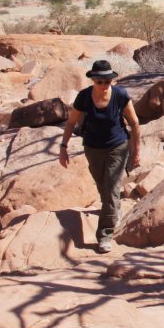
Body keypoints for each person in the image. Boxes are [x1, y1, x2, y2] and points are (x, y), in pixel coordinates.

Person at [58, 60, 141, 254]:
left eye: (107, 81)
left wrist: (136, 151)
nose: (104, 85)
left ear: (112, 80)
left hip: (117, 146)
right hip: (92, 147)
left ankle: (105, 235)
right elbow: (71, 123)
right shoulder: (84, 97)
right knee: (103, 186)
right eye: (99, 82)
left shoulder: (120, 95)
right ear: (93, 80)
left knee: (111, 188)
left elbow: (135, 123)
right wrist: (63, 147)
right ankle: (114, 208)